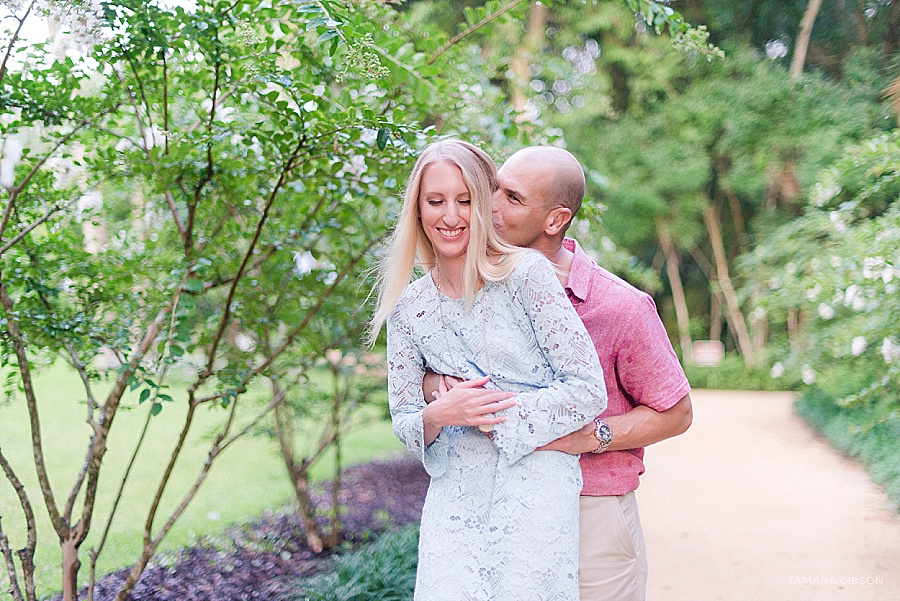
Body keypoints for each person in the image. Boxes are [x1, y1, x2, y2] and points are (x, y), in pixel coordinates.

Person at [426, 145, 693, 601]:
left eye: (512, 198)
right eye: (493, 189)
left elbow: (676, 413)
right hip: (495, 507)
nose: (489, 206)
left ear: (555, 220)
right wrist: (435, 386)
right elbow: (422, 373)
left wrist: (586, 437)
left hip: (590, 513)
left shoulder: (619, 306)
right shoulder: (463, 287)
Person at [369, 139, 608, 601]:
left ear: (484, 205)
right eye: (435, 201)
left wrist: (494, 411)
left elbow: (587, 390)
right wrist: (442, 412)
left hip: (536, 491)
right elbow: (403, 417)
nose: (451, 216)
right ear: (417, 209)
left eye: (465, 200)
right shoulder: (409, 307)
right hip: (455, 503)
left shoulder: (527, 276)